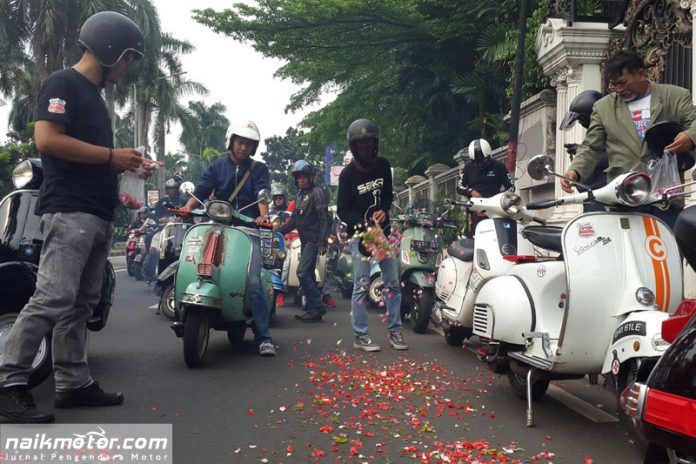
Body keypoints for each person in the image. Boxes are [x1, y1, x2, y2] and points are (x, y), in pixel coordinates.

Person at [0, 11, 154, 423]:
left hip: (96, 212)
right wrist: (111, 156)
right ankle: (7, 381)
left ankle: (72, 383)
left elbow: (89, 160)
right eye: (128, 57)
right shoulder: (63, 83)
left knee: (80, 304)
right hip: (69, 211)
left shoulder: (95, 98)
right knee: (51, 298)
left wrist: (126, 171)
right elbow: (47, 139)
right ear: (109, 49)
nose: (128, 66)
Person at [561, 50, 696, 227]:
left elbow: (694, 122)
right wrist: (575, 171)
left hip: (665, 198)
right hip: (623, 198)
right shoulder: (603, 108)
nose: (619, 90)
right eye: (613, 85)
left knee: (666, 252)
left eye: (623, 83)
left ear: (640, 74)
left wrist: (690, 136)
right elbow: (591, 147)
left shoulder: (675, 96)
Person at [181, 120, 276, 357]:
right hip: (217, 226)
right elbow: (202, 189)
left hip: (248, 230)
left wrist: (263, 217)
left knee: (253, 281)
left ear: (254, 148)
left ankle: (264, 337)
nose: (243, 147)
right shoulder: (216, 167)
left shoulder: (259, 169)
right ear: (231, 141)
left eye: (248, 144)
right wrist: (187, 206)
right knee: (193, 266)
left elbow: (262, 194)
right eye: (240, 142)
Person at [337, 118, 407, 352]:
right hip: (361, 235)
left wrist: (384, 211)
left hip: (380, 234)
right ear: (353, 148)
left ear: (375, 144)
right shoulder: (347, 175)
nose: (365, 148)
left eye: (369, 143)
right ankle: (360, 335)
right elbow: (342, 210)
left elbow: (388, 195)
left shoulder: (383, 166)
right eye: (360, 145)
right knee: (361, 284)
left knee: (392, 282)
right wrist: (363, 223)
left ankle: (395, 331)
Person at [277, 161, 331, 322]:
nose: (301, 180)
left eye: (304, 177)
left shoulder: (317, 193)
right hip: (305, 239)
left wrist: (322, 242)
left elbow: (325, 220)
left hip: (314, 240)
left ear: (311, 178)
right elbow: (294, 221)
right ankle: (312, 309)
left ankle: (317, 306)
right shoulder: (300, 196)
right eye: (299, 177)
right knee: (307, 273)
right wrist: (277, 231)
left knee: (302, 272)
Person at [559, 90, 608, 213]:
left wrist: (581, 151)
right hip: (593, 195)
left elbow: (613, 156)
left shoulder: (612, 128)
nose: (580, 123)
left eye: (581, 119)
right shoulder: (594, 133)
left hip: (607, 194)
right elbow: (591, 148)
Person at [456, 138, 512, 237]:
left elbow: (511, 188)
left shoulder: (499, 167)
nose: (480, 164)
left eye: (483, 161)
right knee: (473, 239)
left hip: (495, 210)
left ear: (489, 155)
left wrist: (498, 199)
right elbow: (459, 187)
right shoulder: (469, 168)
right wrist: (471, 192)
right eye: (476, 162)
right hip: (475, 211)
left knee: (499, 237)